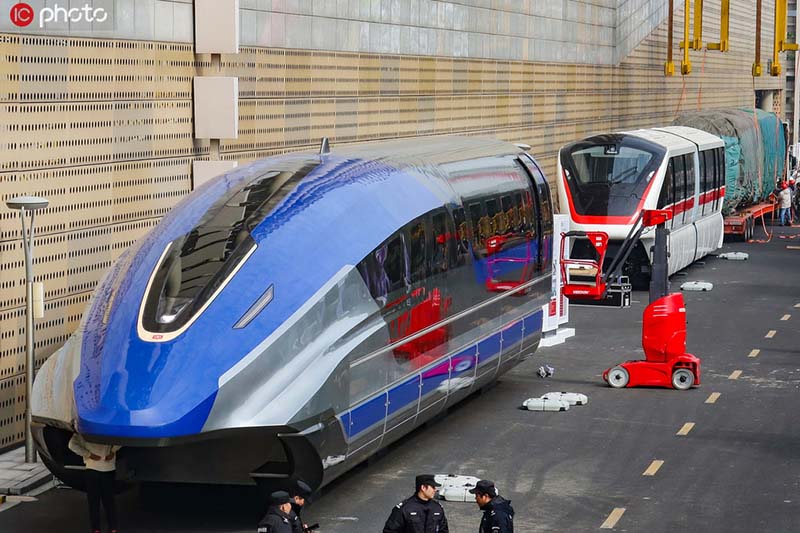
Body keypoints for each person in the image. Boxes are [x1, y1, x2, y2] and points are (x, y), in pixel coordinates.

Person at [68, 431, 121, 533]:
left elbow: (71, 445)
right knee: (109, 501)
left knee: (93, 503)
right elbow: (121, 439)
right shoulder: (108, 428)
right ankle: (113, 528)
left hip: (91, 468)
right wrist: (113, 451)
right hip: (108, 467)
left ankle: (96, 529)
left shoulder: (84, 431)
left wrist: (88, 454)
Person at [383, 474, 449, 533]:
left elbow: (443, 530)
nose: (435, 490)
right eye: (433, 487)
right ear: (423, 488)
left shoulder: (437, 508)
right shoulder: (404, 509)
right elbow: (390, 531)